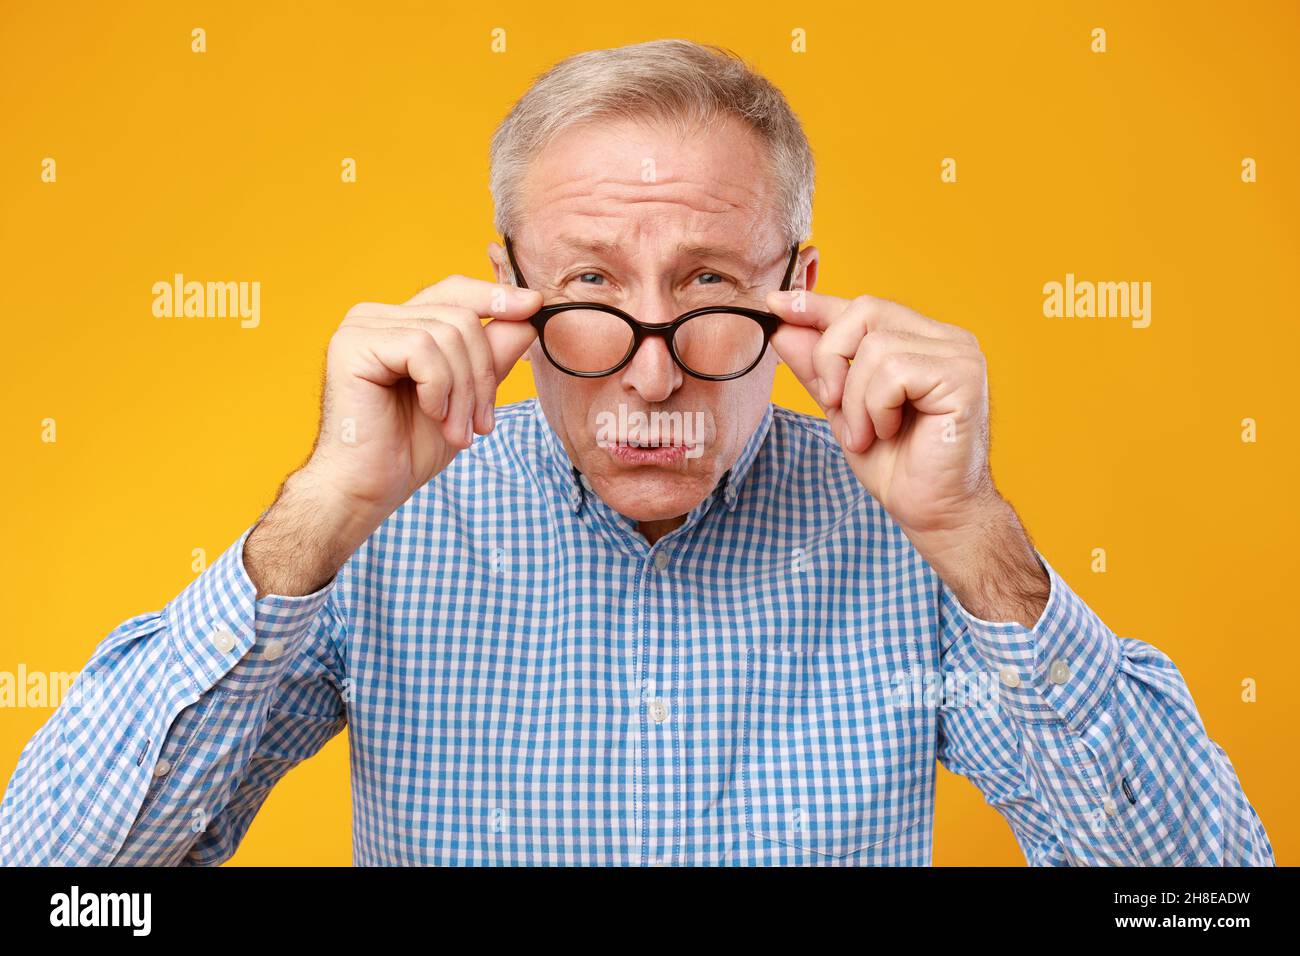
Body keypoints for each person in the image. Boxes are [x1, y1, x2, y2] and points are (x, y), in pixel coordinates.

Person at [0, 39, 1273, 866]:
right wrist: (320, 511)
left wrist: (977, 541)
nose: (652, 369)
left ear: (800, 290)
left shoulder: (908, 532)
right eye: (589, 286)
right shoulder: (384, 529)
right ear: (502, 290)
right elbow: (64, 882)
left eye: (710, 284)